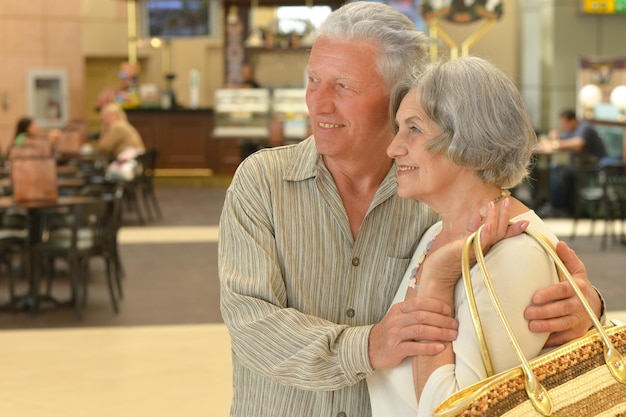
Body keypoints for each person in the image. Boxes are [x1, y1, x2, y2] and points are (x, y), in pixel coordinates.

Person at [218, 3, 604, 417]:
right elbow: (250, 326)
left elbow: (511, 285)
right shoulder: (262, 182)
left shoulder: (438, 197)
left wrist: (583, 311)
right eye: (313, 80)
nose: (318, 104)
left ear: (398, 95)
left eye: (343, 86)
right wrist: (369, 346)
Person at [366, 56, 567, 416]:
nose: (393, 148)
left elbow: (455, 411)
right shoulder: (436, 233)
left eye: (414, 129)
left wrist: (436, 281)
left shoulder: (515, 254)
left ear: (471, 136)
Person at [546, 109, 608, 215]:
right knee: (556, 167)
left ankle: (558, 208)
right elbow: (563, 140)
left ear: (573, 120)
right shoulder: (572, 131)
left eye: (565, 123)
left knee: (559, 170)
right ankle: (558, 207)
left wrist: (556, 144)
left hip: (593, 166)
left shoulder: (585, 127)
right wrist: (555, 137)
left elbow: (578, 144)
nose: (564, 126)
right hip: (581, 166)